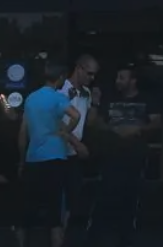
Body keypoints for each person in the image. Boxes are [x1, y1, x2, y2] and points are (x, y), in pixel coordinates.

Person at [85, 65, 161, 246]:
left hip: (135, 154)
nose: (117, 81)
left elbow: (157, 122)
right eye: (117, 77)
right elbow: (96, 122)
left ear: (133, 81)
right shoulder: (110, 99)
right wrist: (114, 130)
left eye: (122, 77)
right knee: (105, 194)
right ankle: (95, 235)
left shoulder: (146, 99)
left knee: (130, 196)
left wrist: (137, 129)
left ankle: (126, 236)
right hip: (111, 153)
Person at [19, 65, 85, 247]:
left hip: (34, 157)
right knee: (54, 210)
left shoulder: (31, 98)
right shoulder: (58, 97)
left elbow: (23, 132)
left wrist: (21, 159)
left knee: (27, 209)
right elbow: (76, 115)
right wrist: (66, 132)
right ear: (61, 78)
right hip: (55, 156)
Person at [59, 55, 99, 231]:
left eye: (94, 75)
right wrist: (77, 144)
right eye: (89, 73)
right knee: (57, 198)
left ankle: (66, 235)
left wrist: (96, 102)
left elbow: (89, 122)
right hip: (59, 150)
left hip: (74, 154)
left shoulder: (87, 93)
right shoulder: (60, 90)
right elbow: (57, 123)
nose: (92, 78)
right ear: (79, 68)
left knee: (73, 197)